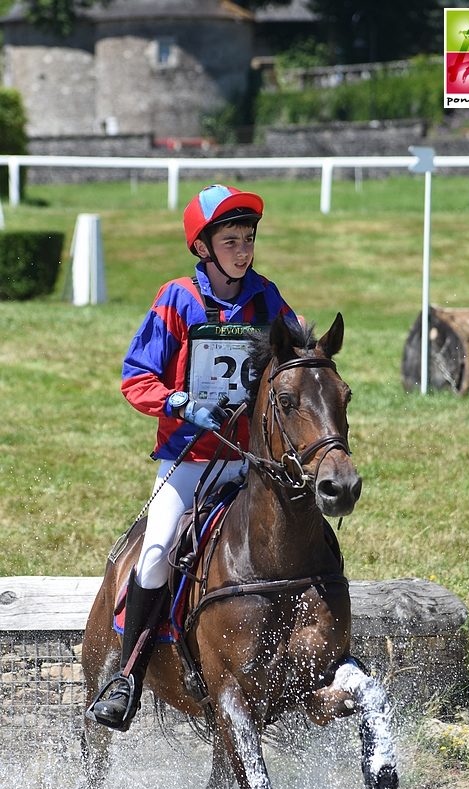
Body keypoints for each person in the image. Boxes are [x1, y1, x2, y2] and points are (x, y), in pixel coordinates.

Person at [90, 184, 298, 731]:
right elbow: (136, 377)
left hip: (251, 464)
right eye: (231, 240)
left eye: (248, 239)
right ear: (203, 247)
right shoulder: (176, 298)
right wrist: (177, 403)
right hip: (189, 462)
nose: (243, 250)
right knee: (156, 550)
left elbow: (297, 352)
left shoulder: (266, 297)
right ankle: (128, 676)